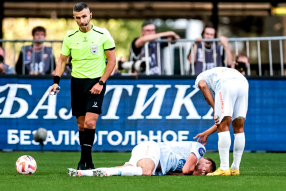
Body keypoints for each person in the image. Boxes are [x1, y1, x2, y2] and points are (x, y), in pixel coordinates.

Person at [49, 2, 116, 170]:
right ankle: (87, 160)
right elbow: (62, 60)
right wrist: (56, 82)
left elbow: (112, 61)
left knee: (90, 123)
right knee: (81, 125)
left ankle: (85, 162)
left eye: (84, 16)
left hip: (95, 82)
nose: (82, 20)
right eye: (78, 17)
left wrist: (101, 82)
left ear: (90, 15)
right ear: (74, 18)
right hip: (77, 83)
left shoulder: (102, 34)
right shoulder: (70, 36)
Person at [194, 67, 248, 176]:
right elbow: (221, 121)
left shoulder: (200, 77)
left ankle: (224, 168)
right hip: (243, 83)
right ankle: (235, 168)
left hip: (226, 84)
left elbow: (203, 86)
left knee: (223, 128)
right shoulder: (216, 73)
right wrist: (207, 133)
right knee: (239, 128)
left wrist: (215, 109)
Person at [67, 141, 216, 177]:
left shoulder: (182, 166)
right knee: (146, 171)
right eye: (206, 170)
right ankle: (107, 173)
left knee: (123, 170)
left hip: (149, 156)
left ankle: (84, 173)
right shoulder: (199, 149)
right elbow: (186, 169)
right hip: (151, 149)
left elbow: (176, 172)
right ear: (208, 162)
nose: (203, 171)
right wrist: (195, 172)